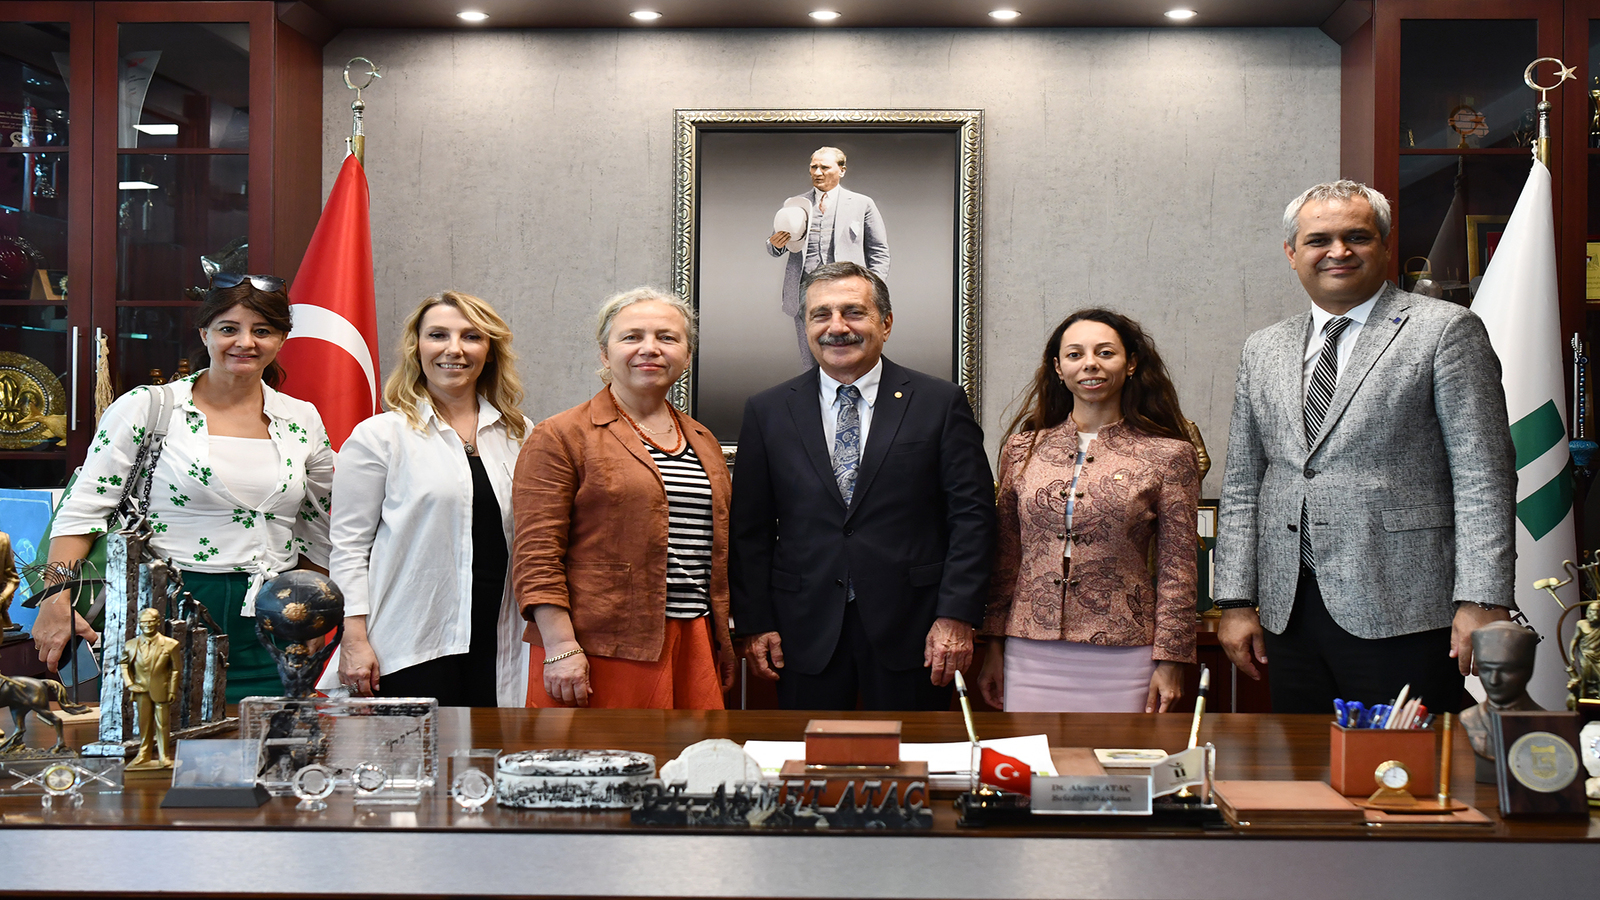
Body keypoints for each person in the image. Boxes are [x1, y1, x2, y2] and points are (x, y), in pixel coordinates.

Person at [1214, 180, 1516, 715]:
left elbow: (1483, 477)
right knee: (1303, 761)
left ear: (1385, 245)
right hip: (1288, 612)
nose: (1338, 251)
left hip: (1405, 607)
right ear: (1291, 253)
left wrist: (1482, 598)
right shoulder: (1263, 348)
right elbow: (1243, 484)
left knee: (1405, 764)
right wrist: (1235, 601)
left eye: (1356, 236)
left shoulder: (1446, 330)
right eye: (1318, 240)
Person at [36, 274, 333, 702]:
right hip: (159, 616)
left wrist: (312, 609)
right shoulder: (148, 407)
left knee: (270, 738)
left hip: (271, 622)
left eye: (262, 330)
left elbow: (319, 523)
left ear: (282, 339)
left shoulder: (302, 418)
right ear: (204, 333)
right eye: (229, 328)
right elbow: (82, 511)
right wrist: (54, 599)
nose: (245, 342)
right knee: (151, 737)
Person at [730, 261, 996, 711]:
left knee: (914, 753)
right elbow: (749, 530)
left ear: (885, 323)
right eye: (821, 314)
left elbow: (973, 519)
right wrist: (755, 622)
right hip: (802, 630)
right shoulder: (768, 410)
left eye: (853, 312)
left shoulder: (939, 402)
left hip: (915, 629)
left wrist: (956, 615)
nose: (837, 327)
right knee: (809, 754)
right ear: (806, 327)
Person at [512, 287, 736, 708]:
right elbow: (536, 555)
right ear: (604, 353)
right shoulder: (560, 435)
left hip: (694, 639)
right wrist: (561, 646)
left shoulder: (703, 440)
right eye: (632, 336)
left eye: (667, 337)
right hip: (596, 649)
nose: (649, 348)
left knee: (693, 753)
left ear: (687, 356)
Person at [976, 309, 1198, 713]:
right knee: (1031, 753)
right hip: (1029, 647)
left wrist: (1172, 660)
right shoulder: (1022, 449)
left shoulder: (1169, 455)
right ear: (1058, 367)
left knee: (1118, 755)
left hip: (1125, 649)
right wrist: (993, 645)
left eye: (1105, 352)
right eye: (1075, 354)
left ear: (1131, 363)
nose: (1090, 363)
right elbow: (1006, 556)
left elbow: (1178, 569)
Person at [329, 292, 532, 707]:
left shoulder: (520, 433)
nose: (454, 349)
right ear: (416, 347)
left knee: (493, 748)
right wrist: (353, 639)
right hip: (412, 640)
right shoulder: (381, 436)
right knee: (416, 750)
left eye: (471, 336)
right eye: (438, 335)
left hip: (502, 641)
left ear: (489, 351)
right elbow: (349, 547)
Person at [767, 147, 890, 369]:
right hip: (805, 290)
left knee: (850, 349)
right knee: (810, 353)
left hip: (848, 290)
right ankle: (814, 389)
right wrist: (775, 244)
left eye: (824, 167)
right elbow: (777, 245)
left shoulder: (861, 203)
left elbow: (879, 251)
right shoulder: (795, 203)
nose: (817, 172)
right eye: (813, 167)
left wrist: (872, 288)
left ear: (842, 170)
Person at [120, 607, 182, 768]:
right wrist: (130, 684)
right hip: (140, 690)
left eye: (151, 621)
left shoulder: (171, 644)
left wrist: (172, 690)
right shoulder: (130, 645)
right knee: (144, 724)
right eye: (144, 622)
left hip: (161, 690)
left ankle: (164, 756)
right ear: (139, 624)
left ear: (158, 622)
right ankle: (143, 754)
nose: (147, 625)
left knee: (163, 724)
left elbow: (176, 669)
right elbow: (124, 664)